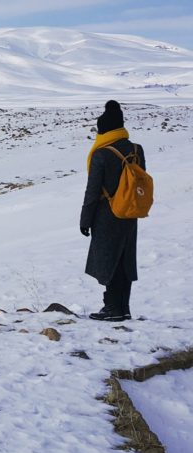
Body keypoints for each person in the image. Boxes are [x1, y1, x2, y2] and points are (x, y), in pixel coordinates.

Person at [81, 100, 146, 321]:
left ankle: (112, 308)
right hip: (130, 212)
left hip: (106, 214)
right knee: (125, 259)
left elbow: (92, 191)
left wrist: (85, 220)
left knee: (110, 261)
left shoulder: (101, 153)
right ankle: (123, 307)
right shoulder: (136, 149)